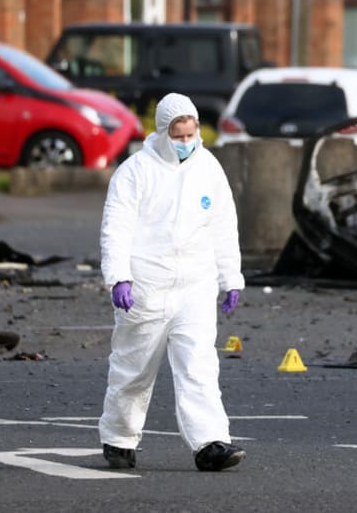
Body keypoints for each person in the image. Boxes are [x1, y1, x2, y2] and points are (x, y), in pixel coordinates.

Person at [98, 93, 246, 472]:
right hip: (145, 288)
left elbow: (223, 227)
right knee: (134, 368)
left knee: (199, 366)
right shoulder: (135, 172)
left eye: (191, 133)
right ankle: (119, 438)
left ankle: (211, 443)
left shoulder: (208, 168)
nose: (186, 142)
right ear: (162, 133)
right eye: (178, 135)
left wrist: (231, 277)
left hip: (194, 286)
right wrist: (118, 277)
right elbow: (116, 228)